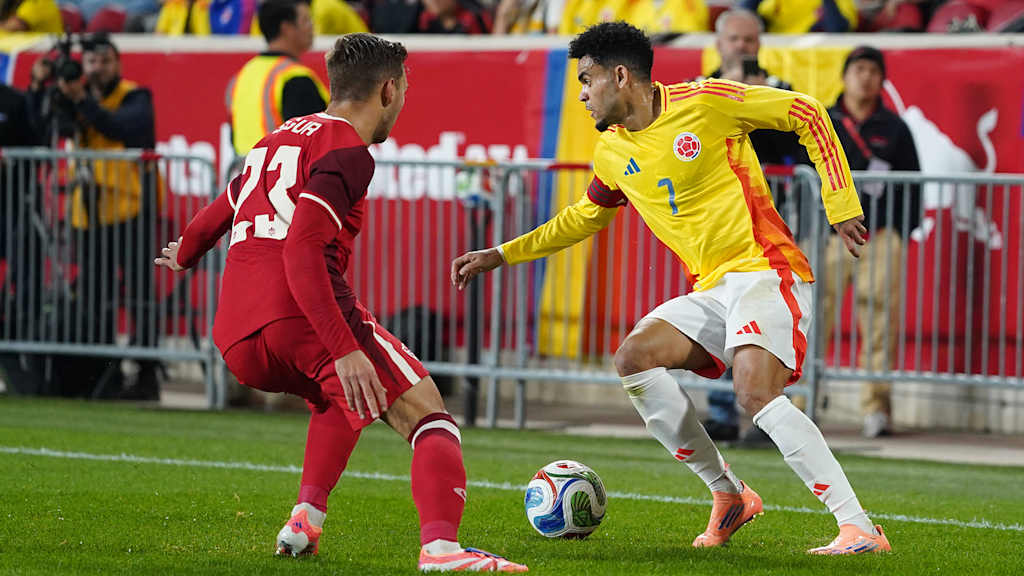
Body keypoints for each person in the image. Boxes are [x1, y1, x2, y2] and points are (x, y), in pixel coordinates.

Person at [452, 22, 891, 555]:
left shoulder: (706, 102)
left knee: (754, 392)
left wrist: (840, 203)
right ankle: (729, 494)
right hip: (713, 288)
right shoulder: (611, 151)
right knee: (633, 357)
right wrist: (503, 253)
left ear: (620, 76)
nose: (582, 94)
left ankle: (859, 527)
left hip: (766, 269)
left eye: (587, 80)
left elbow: (808, 112)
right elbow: (585, 216)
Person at [155, 33, 527, 573]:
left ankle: (304, 522)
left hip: (236, 337)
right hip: (300, 316)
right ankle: (442, 550)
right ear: (388, 90)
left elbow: (224, 206)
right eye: (404, 93)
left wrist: (187, 253)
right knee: (431, 416)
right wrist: (344, 347)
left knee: (339, 400)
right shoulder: (348, 151)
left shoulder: (276, 139)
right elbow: (302, 250)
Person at [28, 34, 163, 400]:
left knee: (139, 295)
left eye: (105, 61)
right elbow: (41, 129)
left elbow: (122, 128)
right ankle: (102, 376)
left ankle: (146, 375)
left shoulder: (136, 96)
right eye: (91, 62)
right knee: (92, 297)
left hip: (130, 208)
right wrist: (41, 88)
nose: (98, 68)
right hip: (87, 213)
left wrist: (81, 100)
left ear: (117, 63)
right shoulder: (72, 96)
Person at [701, 8, 810, 444]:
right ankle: (722, 411)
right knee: (717, 318)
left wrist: (757, 101)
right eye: (735, 39)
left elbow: (796, 146)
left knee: (767, 323)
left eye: (749, 40)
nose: (742, 47)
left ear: (760, 45)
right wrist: (730, 96)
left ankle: (766, 413)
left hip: (768, 230)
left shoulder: (779, 89)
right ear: (719, 44)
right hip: (716, 229)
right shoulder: (699, 89)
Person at [826, 46, 920, 438]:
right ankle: (799, 402)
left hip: (878, 237)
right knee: (810, 320)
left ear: (882, 80)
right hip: (829, 238)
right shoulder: (824, 121)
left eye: (873, 71)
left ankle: (876, 408)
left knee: (880, 319)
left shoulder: (895, 128)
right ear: (844, 75)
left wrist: (898, 232)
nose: (865, 77)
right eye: (859, 69)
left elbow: (913, 183)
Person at [227, 0, 328, 159]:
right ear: (286, 28)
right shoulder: (295, 77)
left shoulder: (243, 74)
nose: (311, 27)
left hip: (246, 171)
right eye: (306, 20)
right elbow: (313, 144)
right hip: (282, 172)